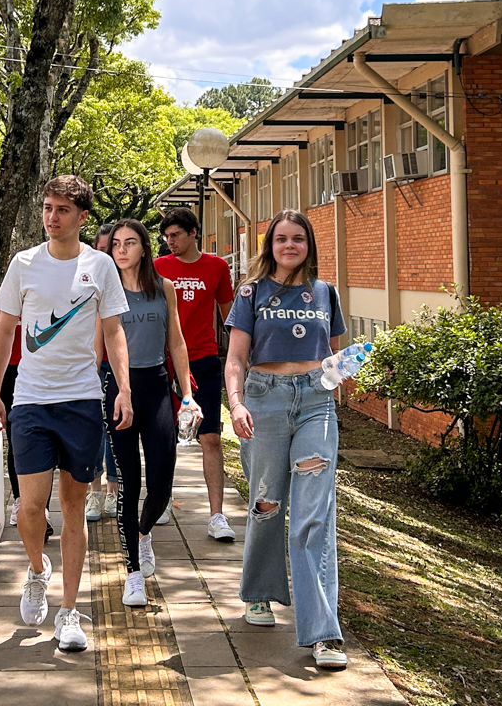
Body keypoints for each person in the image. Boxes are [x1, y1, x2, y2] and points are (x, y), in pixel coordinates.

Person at [0, 175, 132, 653]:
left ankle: (69, 612)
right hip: (30, 401)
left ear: (82, 216)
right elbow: (2, 333)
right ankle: (36, 569)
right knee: (29, 508)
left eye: (63, 209)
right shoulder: (24, 263)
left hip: (82, 401)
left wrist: (123, 390)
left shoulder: (100, 266)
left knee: (73, 509)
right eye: (47, 207)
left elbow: (113, 333)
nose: (52, 217)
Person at [224, 209, 349, 670]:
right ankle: (258, 593)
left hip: (315, 403)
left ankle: (323, 634)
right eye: (281, 239)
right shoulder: (251, 293)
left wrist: (345, 378)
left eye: (298, 239)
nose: (290, 246)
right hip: (264, 401)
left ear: (309, 244)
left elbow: (337, 354)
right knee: (267, 502)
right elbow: (236, 357)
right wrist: (236, 404)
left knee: (314, 517)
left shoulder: (325, 293)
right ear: (269, 245)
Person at [105, 219, 201, 607]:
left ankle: (143, 533)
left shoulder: (164, 287)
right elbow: (100, 349)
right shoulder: (103, 292)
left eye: (131, 243)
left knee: (161, 480)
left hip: (157, 387)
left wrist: (188, 394)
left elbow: (176, 343)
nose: (123, 249)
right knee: (128, 482)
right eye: (116, 244)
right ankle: (132, 573)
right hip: (118, 391)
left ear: (145, 248)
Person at [155, 207, 237, 542]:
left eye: (176, 235)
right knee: (163, 439)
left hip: (203, 360)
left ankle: (217, 515)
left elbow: (229, 316)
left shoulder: (217, 267)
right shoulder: (158, 267)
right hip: (164, 362)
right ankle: (162, 501)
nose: (170, 242)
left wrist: (242, 357)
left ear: (193, 233)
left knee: (211, 438)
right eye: (166, 236)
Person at [0, 303, 53, 539]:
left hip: (40, 373)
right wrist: (7, 306)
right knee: (17, 440)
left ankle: (43, 507)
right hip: (10, 374)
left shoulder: (44, 293)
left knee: (44, 440)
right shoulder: (4, 299)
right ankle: (22, 500)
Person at [86, 223, 119, 522]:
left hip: (120, 368)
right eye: (103, 248)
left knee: (117, 433)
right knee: (94, 430)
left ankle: (113, 492)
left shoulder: (128, 284)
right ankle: (93, 492)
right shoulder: (83, 279)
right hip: (89, 366)